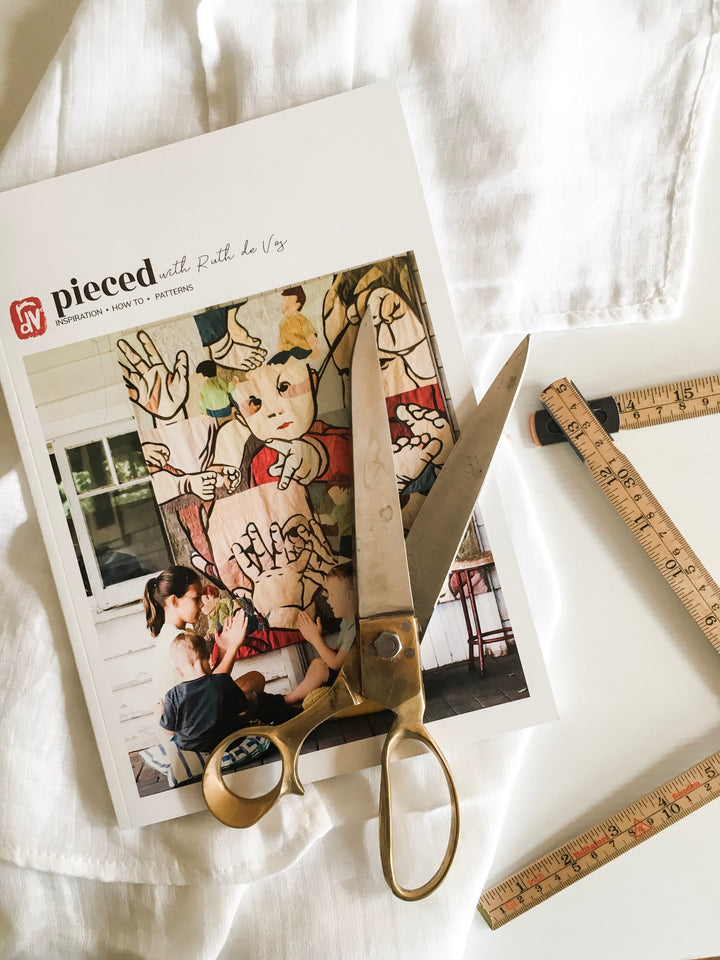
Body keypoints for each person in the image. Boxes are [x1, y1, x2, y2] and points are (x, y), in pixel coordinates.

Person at [142, 565, 264, 710]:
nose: (201, 604)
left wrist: (222, 651)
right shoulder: (179, 640)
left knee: (253, 679)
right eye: (196, 598)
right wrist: (233, 647)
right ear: (175, 601)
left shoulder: (171, 633)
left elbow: (207, 681)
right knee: (252, 686)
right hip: (191, 718)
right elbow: (209, 689)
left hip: (196, 707)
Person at [159, 631, 256, 753]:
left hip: (194, 753)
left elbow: (169, 731)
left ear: (179, 670)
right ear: (210, 660)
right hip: (229, 746)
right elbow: (243, 711)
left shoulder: (172, 696)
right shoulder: (223, 680)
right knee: (254, 699)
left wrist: (161, 713)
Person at [284, 561, 356, 705]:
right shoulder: (347, 621)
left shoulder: (355, 626)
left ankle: (288, 701)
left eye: (332, 594)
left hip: (356, 677)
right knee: (319, 663)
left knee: (321, 669)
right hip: (348, 671)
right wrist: (313, 638)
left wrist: (316, 639)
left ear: (349, 596)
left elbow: (335, 664)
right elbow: (337, 654)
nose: (328, 601)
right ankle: (295, 699)